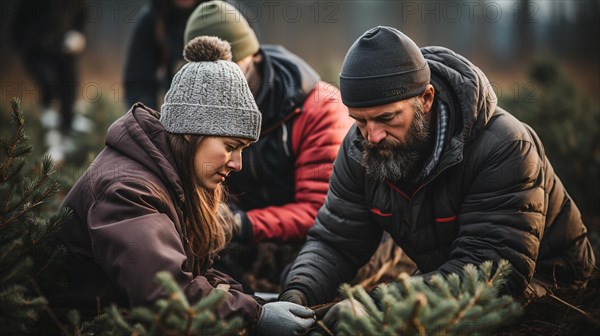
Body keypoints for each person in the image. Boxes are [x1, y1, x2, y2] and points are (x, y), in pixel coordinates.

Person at [279, 26, 596, 307]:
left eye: (387, 118)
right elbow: (335, 242)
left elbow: (493, 275)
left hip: (548, 282)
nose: (371, 136)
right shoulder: (359, 150)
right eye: (360, 120)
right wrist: (297, 292)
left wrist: (378, 305)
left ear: (426, 98)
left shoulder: (504, 146)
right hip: (443, 274)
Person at [47, 36, 315, 335]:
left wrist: (254, 302)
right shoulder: (128, 191)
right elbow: (165, 294)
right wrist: (254, 315)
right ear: (191, 132)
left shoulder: (172, 175)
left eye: (243, 150)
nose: (238, 163)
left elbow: (194, 274)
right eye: (230, 146)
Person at [183, 1, 352, 290]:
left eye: (230, 71)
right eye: (208, 80)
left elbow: (323, 211)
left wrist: (238, 224)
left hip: (315, 242)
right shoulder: (200, 107)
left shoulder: (320, 108)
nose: (220, 87)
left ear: (255, 57)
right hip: (244, 239)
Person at [12, 0, 88, 161]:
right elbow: (18, 25)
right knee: (48, 84)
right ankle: (48, 132)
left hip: (63, 50)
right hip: (35, 49)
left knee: (69, 85)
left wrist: (79, 35)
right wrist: (23, 45)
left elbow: (82, 17)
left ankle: (68, 129)